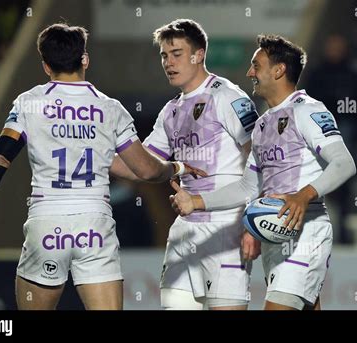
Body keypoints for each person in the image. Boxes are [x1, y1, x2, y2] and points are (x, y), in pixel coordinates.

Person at [0, 23, 203, 310]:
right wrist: (176, 168)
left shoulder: (29, 103)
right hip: (94, 226)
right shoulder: (110, 108)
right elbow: (145, 170)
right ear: (85, 59)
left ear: (46, 65)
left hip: (47, 225)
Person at [170, 34, 357, 310]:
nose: (250, 73)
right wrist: (196, 202)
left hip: (306, 230)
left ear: (279, 70)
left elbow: (344, 163)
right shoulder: (262, 125)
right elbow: (248, 187)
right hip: (276, 233)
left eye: (256, 66)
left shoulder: (308, 111)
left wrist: (303, 196)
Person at [110, 19, 259, 310]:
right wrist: (93, 155)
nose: (168, 62)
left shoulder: (227, 96)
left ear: (199, 54)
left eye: (176, 53)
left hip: (225, 228)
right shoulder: (171, 110)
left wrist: (253, 223)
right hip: (184, 230)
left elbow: (260, 155)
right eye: (164, 55)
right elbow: (142, 167)